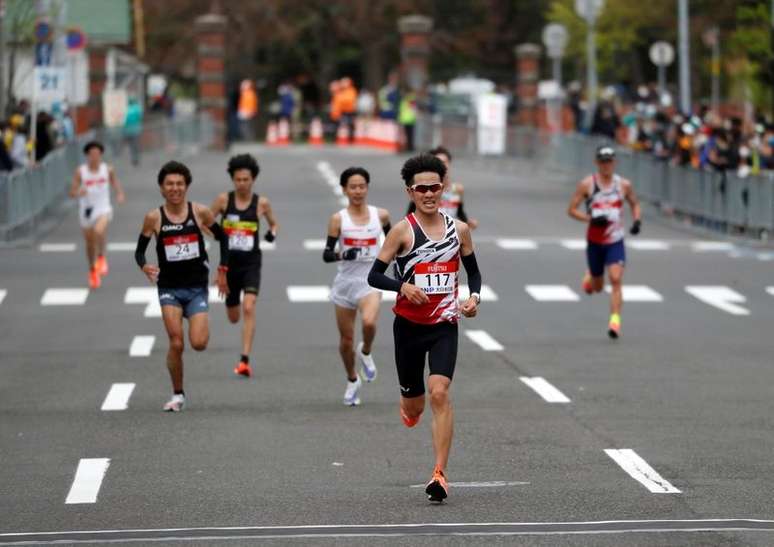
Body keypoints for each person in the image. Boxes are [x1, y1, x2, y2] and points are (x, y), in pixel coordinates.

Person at [367, 154, 482, 503]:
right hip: (408, 328)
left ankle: (439, 474)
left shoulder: (459, 230)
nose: (429, 194)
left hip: (444, 325)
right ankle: (409, 408)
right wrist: (402, 286)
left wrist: (473, 298)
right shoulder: (402, 231)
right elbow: (374, 276)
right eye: (422, 189)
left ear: (443, 188)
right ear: (411, 192)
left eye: (434, 187)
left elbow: (474, 273)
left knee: (440, 393)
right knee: (415, 406)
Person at [134, 161, 230, 412]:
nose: (175, 188)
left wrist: (222, 270)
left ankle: (198, 319)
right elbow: (139, 252)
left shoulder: (200, 212)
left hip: (196, 287)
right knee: (176, 343)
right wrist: (144, 266)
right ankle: (178, 394)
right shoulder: (154, 218)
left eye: (179, 184)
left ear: (186, 186)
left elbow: (223, 238)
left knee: (198, 343)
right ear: (161, 188)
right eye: (169, 184)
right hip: (169, 288)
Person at [323, 167, 391, 406]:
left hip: (370, 280)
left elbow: (393, 242)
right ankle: (352, 379)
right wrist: (343, 254)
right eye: (353, 187)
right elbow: (327, 254)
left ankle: (366, 351)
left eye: (362, 186)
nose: (358, 191)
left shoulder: (381, 215)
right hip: (345, 284)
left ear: (367, 188)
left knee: (369, 322)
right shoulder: (338, 219)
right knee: (346, 340)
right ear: (344, 190)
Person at [209, 154, 279, 378]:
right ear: (232, 179)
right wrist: (219, 236)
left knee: (249, 307)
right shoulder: (223, 200)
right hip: (229, 264)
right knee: (233, 316)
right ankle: (231, 302)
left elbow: (274, 224)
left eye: (246, 179)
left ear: (253, 179)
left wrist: (271, 233)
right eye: (238, 179)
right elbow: (205, 221)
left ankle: (244, 359)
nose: (242, 183)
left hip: (251, 263)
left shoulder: (262, 203)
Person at [566, 146, 641, 339]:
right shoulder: (587, 184)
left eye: (609, 161)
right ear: (596, 163)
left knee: (616, 279)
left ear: (614, 162)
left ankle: (615, 321)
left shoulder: (623, 185)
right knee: (598, 287)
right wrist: (589, 219)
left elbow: (634, 203)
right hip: (595, 241)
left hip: (615, 241)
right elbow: (571, 210)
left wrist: (637, 221)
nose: (606, 165)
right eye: (602, 161)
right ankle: (590, 277)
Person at [68, 141, 126, 289]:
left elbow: (115, 182)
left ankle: (101, 258)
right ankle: (92, 270)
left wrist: (119, 194)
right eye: (92, 154)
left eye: (97, 154)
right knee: (89, 244)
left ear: (101, 155)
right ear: (87, 156)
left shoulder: (108, 169)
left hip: (103, 208)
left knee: (98, 231)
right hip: (86, 210)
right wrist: (78, 192)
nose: (95, 157)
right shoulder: (81, 171)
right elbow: (72, 192)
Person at [407, 146, 478, 229]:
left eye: (444, 162)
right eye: (438, 162)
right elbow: (410, 214)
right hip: (429, 231)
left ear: (449, 163)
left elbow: (459, 212)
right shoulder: (424, 189)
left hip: (450, 232)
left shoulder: (458, 189)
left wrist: (468, 222)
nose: (442, 165)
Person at [123, 97, 143, 166]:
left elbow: (124, 121)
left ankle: (133, 158)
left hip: (128, 131)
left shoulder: (126, 109)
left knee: (131, 146)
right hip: (136, 130)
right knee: (135, 145)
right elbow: (140, 117)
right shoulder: (136, 108)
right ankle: (136, 158)